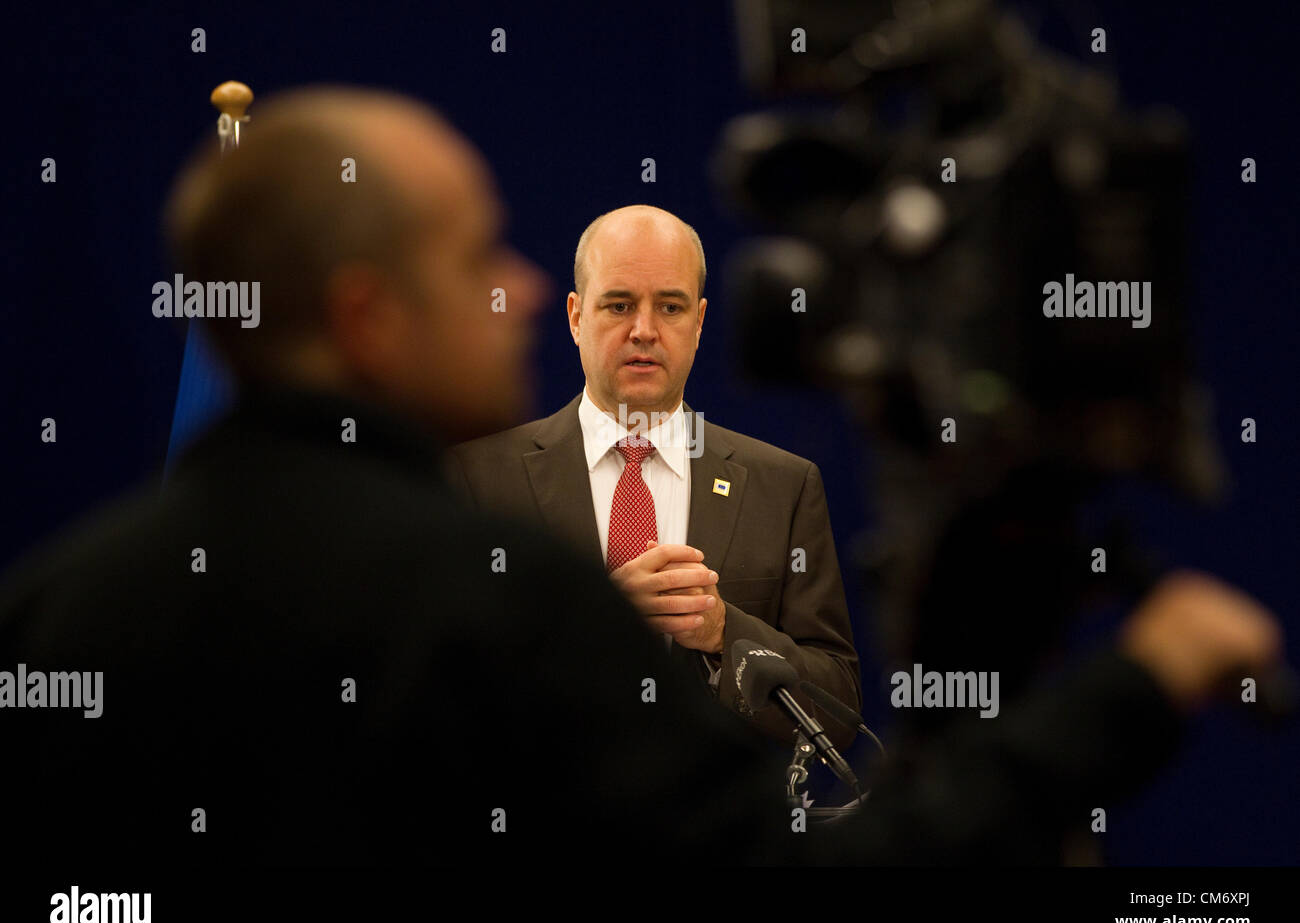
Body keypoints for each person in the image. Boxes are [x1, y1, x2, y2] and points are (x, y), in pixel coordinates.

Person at [0, 86, 1281, 867]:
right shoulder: (496, 591)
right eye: (472, 258)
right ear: (369, 316)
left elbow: (835, 711)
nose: (505, 289)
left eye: (672, 304)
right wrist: (1133, 689)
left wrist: (734, 633)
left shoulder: (52, 613)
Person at [448, 205, 861, 746]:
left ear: (699, 323)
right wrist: (595, 624)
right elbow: (438, 696)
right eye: (619, 305)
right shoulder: (474, 480)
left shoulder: (783, 487)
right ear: (575, 317)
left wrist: (722, 633)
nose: (644, 331)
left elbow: (838, 711)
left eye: (670, 306)